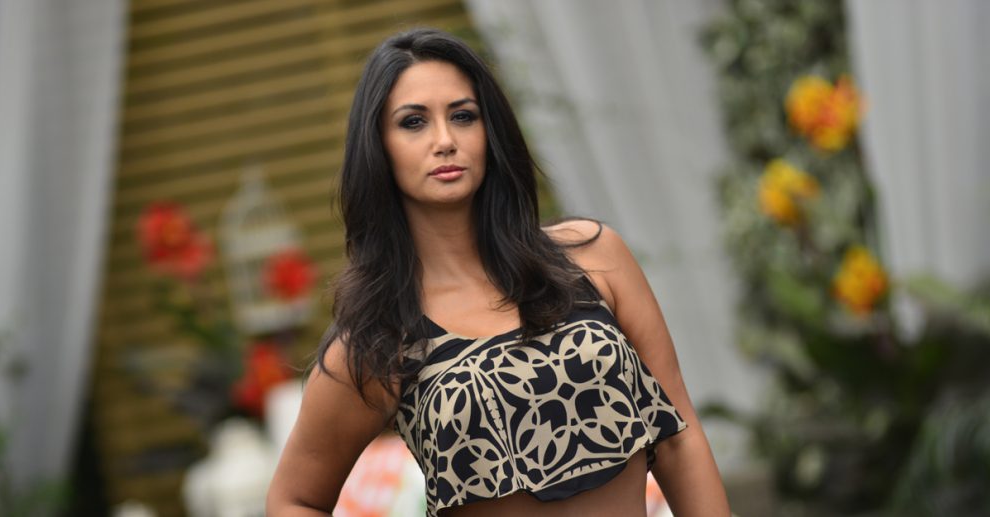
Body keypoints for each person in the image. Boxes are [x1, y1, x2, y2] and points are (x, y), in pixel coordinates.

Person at [267, 28, 731, 517]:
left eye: (463, 116)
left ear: (490, 131)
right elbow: (293, 500)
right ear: (378, 147)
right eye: (413, 122)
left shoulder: (594, 258)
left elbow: (679, 438)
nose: (445, 141)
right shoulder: (380, 338)